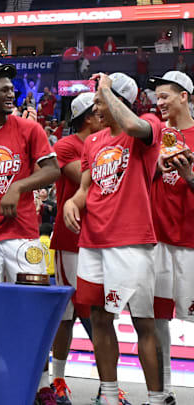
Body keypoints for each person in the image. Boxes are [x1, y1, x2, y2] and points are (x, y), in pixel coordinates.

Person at [63, 72, 166, 405]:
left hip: (132, 241)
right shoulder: (93, 141)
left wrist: (107, 89)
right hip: (93, 242)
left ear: (118, 100)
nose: (96, 109)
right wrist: (71, 202)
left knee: (142, 323)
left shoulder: (147, 126)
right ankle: (109, 395)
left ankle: (155, 398)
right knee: (99, 318)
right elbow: (85, 187)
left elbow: (134, 126)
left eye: (100, 102)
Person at [0, 60, 60, 401]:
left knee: (31, 312)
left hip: (24, 237)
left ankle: (40, 386)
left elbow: (52, 171)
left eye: (11, 88)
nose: (11, 93)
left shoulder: (28, 129)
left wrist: (18, 187)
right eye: (2, 89)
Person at [49, 92, 101, 404]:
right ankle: (58, 380)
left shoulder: (107, 142)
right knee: (67, 314)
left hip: (101, 238)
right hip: (70, 239)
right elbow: (91, 185)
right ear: (87, 117)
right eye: (99, 111)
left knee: (99, 312)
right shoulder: (66, 146)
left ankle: (106, 382)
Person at [148, 70, 194, 403]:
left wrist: (189, 175)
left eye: (164, 96)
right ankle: (163, 391)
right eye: (157, 97)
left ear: (184, 97)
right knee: (157, 319)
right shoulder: (154, 137)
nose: (159, 103)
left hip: (191, 244)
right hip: (158, 242)